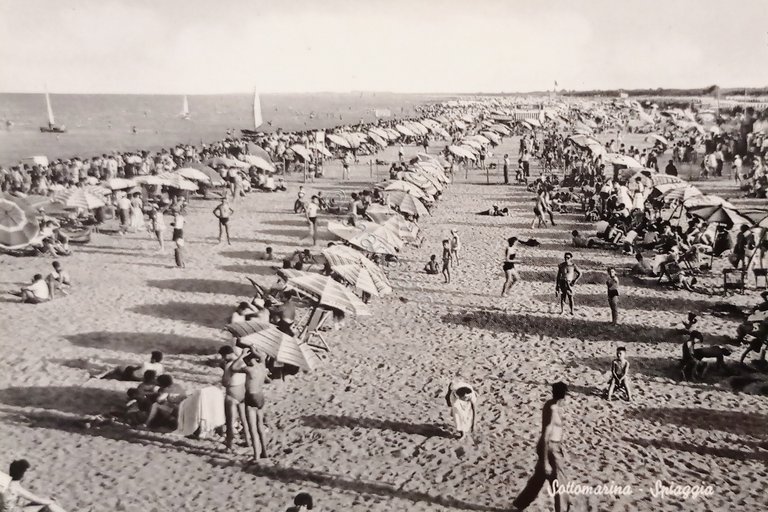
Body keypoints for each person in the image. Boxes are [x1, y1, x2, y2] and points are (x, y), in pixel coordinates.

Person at [512, 382, 570, 512]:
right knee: (559, 483)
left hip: (549, 447)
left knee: (538, 479)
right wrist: (545, 462)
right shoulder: (553, 409)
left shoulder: (549, 404)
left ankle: (520, 504)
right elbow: (546, 435)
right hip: (550, 449)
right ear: (564, 396)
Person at [233, 348, 271, 460]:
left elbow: (233, 368)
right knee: (260, 426)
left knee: (252, 428)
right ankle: (264, 452)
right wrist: (254, 349)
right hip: (260, 397)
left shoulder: (249, 370)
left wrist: (241, 355)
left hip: (251, 397)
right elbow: (262, 357)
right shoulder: (262, 365)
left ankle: (256, 457)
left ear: (248, 361)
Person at [218, 345, 249, 452]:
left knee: (230, 421)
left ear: (227, 354)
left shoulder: (229, 365)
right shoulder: (242, 362)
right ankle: (248, 440)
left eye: (223, 356)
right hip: (242, 392)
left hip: (231, 394)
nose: (223, 358)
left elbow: (225, 382)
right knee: (244, 419)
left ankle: (229, 445)